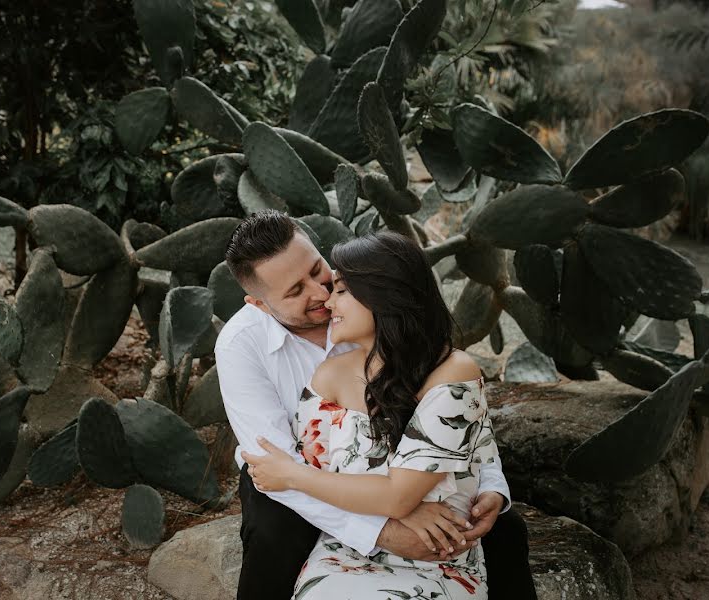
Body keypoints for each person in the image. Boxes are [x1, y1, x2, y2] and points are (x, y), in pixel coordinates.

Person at [215, 211, 536, 600]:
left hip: (409, 463)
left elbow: (460, 414)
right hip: (298, 473)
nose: (320, 295)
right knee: (273, 534)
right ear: (260, 304)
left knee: (506, 530)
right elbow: (277, 466)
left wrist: (492, 486)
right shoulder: (241, 345)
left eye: (318, 271)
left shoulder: (370, 307)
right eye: (295, 292)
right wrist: (386, 526)